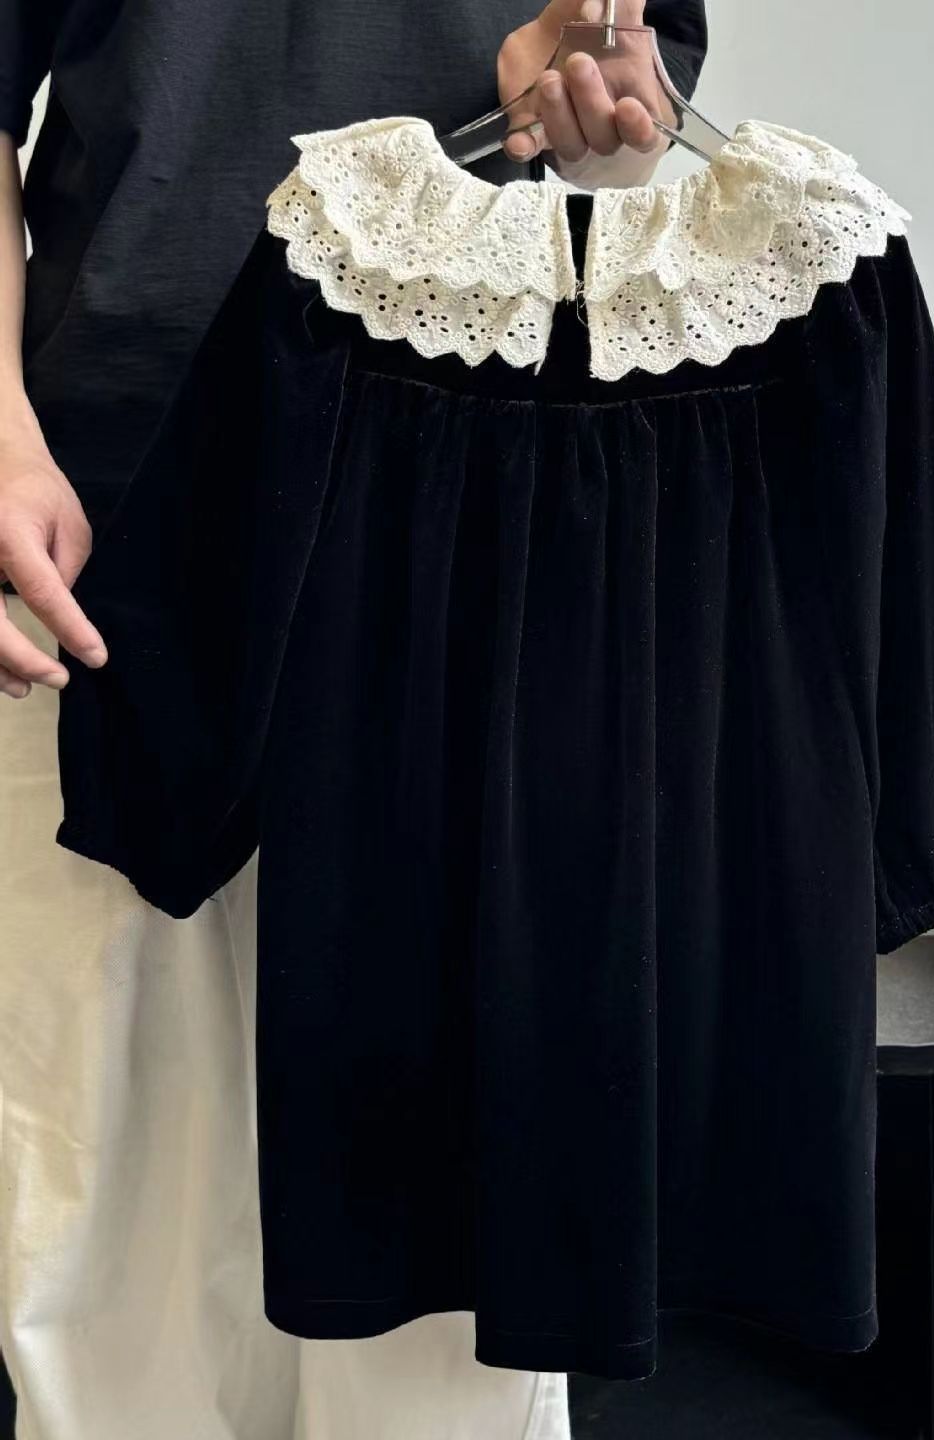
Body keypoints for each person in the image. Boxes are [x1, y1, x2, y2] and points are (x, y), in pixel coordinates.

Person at [0, 2, 706, 1436]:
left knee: (447, 1286)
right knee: (106, 1250)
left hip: (468, 534)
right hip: (100, 524)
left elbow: (625, 116)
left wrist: (584, 111)